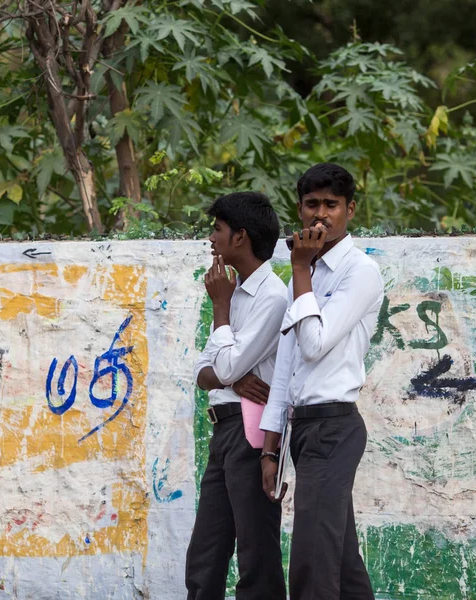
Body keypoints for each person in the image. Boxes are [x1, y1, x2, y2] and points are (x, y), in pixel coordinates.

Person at [259, 163, 384, 600]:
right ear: (300, 208)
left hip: (334, 427)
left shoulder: (359, 271)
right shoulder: (308, 274)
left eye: (331, 205)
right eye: (312, 204)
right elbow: (288, 365)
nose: (320, 215)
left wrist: (300, 270)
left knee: (312, 564)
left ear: (350, 210)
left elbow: (314, 345)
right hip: (304, 429)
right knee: (341, 566)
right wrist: (270, 446)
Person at [186, 192, 288, 600]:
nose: (211, 238)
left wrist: (221, 309)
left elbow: (222, 368)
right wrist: (229, 377)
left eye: (218, 229)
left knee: (255, 555)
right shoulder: (235, 290)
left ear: (241, 237)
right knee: (205, 556)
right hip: (224, 433)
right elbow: (201, 374)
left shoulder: (272, 297)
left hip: (253, 435)